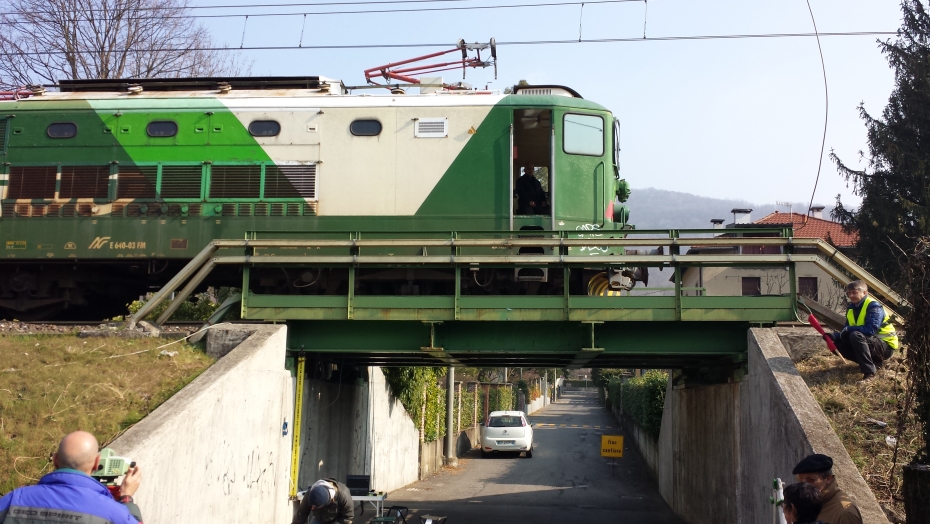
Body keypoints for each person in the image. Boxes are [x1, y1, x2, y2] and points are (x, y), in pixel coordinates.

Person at [0, 431, 143, 524]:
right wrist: (126, 498)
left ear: (55, 460)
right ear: (96, 463)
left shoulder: (13, 499)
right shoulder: (113, 512)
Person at [825, 280, 899, 382]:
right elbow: (846, 329)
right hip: (871, 343)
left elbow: (870, 329)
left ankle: (869, 373)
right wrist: (833, 336)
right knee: (836, 344)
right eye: (849, 293)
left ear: (864, 293)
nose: (851, 296)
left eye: (854, 292)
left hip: (886, 346)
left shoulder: (874, 306)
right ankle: (873, 363)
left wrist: (849, 329)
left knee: (855, 335)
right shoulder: (851, 309)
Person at [793, 454, 862, 524]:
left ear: (828, 479)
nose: (804, 484)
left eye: (811, 479)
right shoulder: (808, 502)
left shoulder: (845, 513)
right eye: (801, 479)